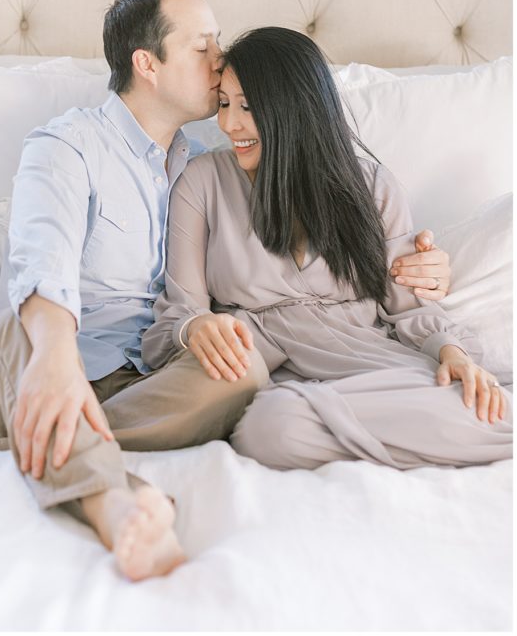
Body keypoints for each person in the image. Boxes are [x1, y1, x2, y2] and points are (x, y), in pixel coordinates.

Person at [0, 0, 454, 579]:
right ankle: (114, 503)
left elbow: (309, 214)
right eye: (203, 46)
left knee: (245, 371)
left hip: (151, 385)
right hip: (42, 358)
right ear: (147, 64)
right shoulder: (66, 146)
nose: (220, 61)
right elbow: (39, 257)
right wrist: (55, 357)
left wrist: (424, 265)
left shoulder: (218, 154)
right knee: (24, 330)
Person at [141, 27, 511, 470]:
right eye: (224, 103)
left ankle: (376, 433)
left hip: (376, 368)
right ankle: (410, 438)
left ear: (295, 109)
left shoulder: (372, 186)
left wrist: (454, 354)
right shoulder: (202, 183)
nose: (228, 123)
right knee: (271, 429)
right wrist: (198, 327)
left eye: (247, 107)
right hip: (281, 383)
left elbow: (408, 310)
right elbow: (178, 317)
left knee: (488, 406)